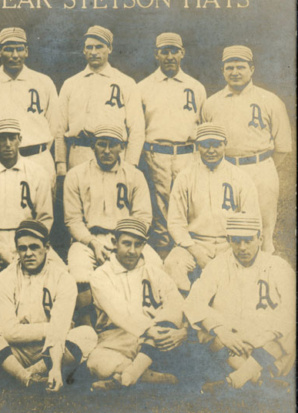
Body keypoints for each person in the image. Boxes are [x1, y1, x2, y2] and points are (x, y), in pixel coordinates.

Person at [0, 220, 97, 391]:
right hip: (14, 351)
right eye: (23, 248)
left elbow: (57, 335)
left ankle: (24, 374)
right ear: (17, 250)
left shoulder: (63, 278)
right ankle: (25, 377)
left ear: (46, 247)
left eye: (35, 247)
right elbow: (9, 332)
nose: (28, 253)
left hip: (49, 352)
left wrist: (56, 369)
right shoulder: (5, 278)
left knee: (87, 335)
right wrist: (51, 328)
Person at [185, 215, 295, 392]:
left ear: (260, 239)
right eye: (236, 241)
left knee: (290, 329)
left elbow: (291, 308)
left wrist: (264, 336)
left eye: (248, 240)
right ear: (229, 240)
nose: (242, 247)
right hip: (231, 342)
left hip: (265, 342)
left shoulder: (277, 266)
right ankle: (259, 378)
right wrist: (221, 331)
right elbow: (193, 302)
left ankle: (237, 379)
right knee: (206, 328)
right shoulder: (218, 265)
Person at [200, 45, 292, 254]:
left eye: (240, 67)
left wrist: (260, 164)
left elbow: (283, 146)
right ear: (222, 71)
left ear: (251, 69)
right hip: (225, 169)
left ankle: (263, 275)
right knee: (225, 227)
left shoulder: (270, 100)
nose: (234, 72)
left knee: (263, 229)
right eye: (229, 67)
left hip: (260, 168)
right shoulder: (212, 103)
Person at [63, 124, 160, 323]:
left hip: (127, 238)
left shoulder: (134, 175)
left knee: (156, 265)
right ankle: (87, 326)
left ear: (121, 148)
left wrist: (124, 244)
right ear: (93, 146)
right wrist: (92, 243)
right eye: (101, 145)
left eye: (113, 145)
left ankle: (150, 320)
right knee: (78, 269)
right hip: (89, 239)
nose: (107, 151)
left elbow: (143, 217)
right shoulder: (76, 174)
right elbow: (73, 220)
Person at [87, 218, 188, 391]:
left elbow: (176, 304)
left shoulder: (154, 271)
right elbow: (119, 311)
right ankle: (147, 375)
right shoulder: (100, 275)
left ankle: (128, 376)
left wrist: (181, 331)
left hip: (154, 339)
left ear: (143, 246)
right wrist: (149, 330)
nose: (132, 251)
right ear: (114, 242)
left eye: (138, 245)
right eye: (126, 243)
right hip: (117, 339)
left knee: (170, 318)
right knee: (97, 362)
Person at [0, 119, 56, 310]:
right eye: (2, 139)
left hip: (29, 238)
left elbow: (45, 218)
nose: (7, 144)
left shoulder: (37, 172)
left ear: (20, 140)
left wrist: (29, 245)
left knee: (60, 272)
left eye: (12, 138)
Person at [164, 123, 260, 295]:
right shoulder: (185, 177)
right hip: (195, 244)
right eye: (205, 145)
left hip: (231, 244)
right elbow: (176, 222)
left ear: (225, 144)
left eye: (216, 144)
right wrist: (195, 251)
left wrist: (234, 248)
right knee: (173, 263)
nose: (211, 150)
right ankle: (183, 310)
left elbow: (252, 220)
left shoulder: (240, 177)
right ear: (197, 146)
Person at [137, 33, 207, 253]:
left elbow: (203, 125)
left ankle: (186, 252)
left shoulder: (195, 87)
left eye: (174, 51)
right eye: (164, 51)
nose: (169, 56)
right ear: (156, 54)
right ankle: (164, 252)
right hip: (155, 153)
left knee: (187, 201)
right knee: (159, 207)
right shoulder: (143, 86)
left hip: (187, 152)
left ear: (182, 53)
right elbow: (138, 128)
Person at [0, 27, 60, 188]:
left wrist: (35, 150)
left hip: (37, 158)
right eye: (9, 50)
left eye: (19, 49)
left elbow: (53, 127)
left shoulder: (44, 82)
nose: (15, 55)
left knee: (41, 211)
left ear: (26, 51)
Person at [56, 25, 144, 173]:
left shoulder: (126, 82)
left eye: (99, 47)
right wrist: (60, 164)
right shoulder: (70, 84)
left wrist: (131, 165)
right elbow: (59, 129)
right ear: (84, 51)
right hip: (79, 154)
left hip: (113, 156)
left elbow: (137, 129)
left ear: (109, 48)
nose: (94, 52)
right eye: (89, 48)